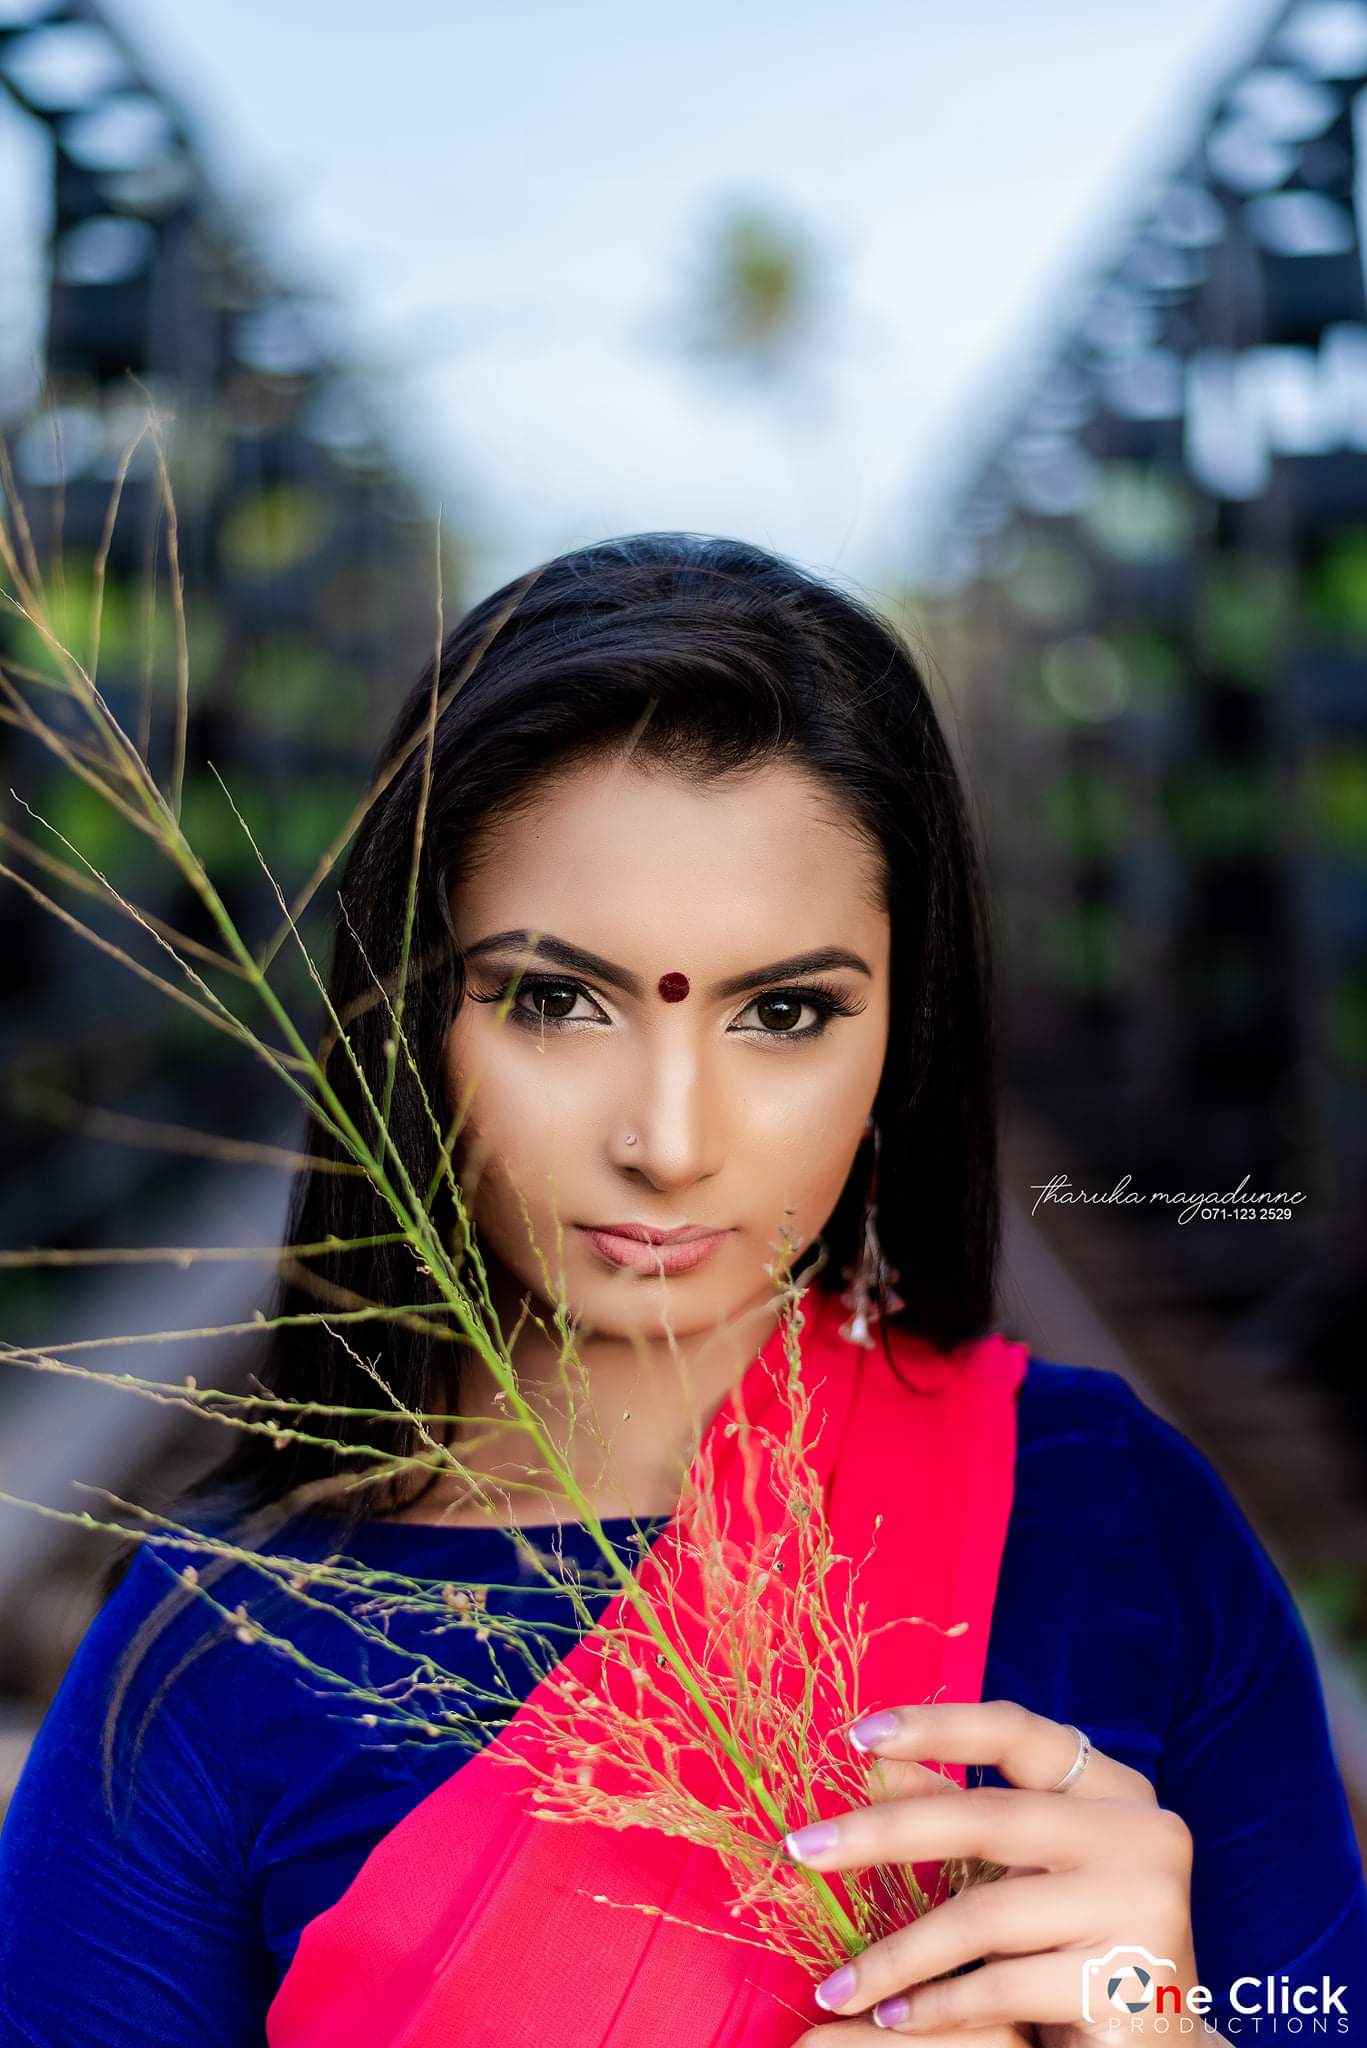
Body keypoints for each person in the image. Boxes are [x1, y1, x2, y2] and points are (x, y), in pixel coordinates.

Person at [0, 534, 1363, 2046]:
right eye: (553, 1000)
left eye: (783, 1012)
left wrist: (1161, 2026)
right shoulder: (217, 1649)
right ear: (405, 1015)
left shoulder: (1129, 1527)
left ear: (901, 1041)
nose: (669, 1141)